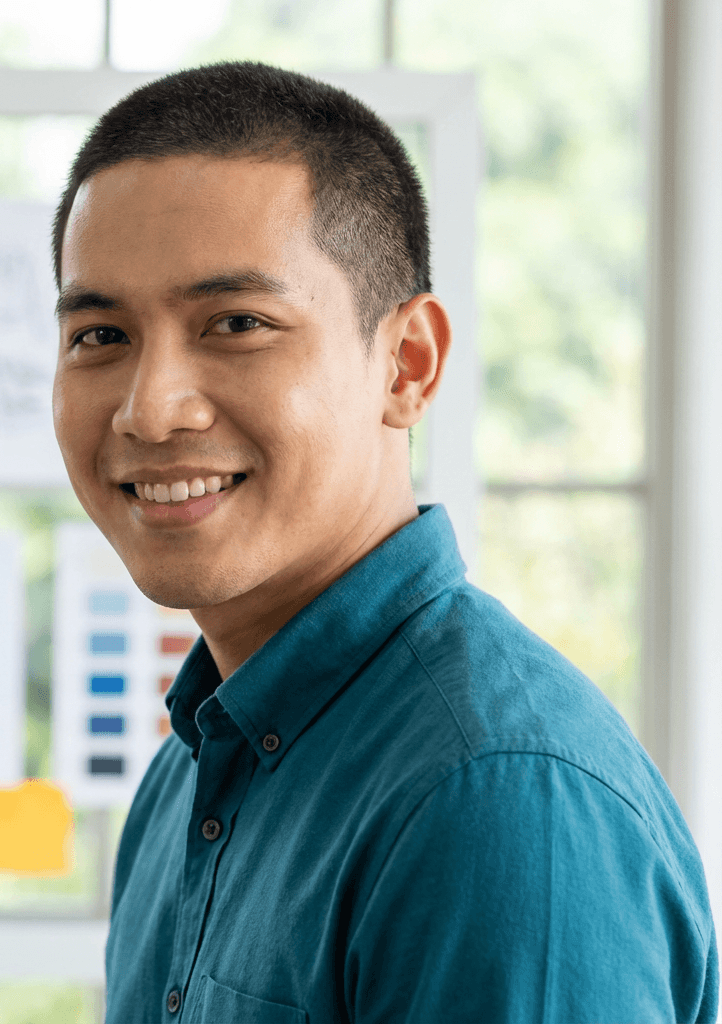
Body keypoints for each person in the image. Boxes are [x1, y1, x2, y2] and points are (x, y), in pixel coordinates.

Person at [50, 61, 718, 1023]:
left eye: (237, 323)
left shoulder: (493, 803)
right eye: (100, 336)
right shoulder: (190, 768)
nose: (152, 410)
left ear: (407, 365)